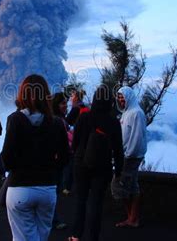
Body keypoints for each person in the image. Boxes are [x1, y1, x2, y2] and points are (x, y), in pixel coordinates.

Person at [1, 74, 70, 241]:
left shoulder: (15, 119)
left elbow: (7, 159)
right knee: (41, 237)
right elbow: (65, 157)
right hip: (47, 189)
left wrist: (22, 166)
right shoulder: (56, 123)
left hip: (20, 188)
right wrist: (49, 168)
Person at [68, 85, 124, 241]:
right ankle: (93, 237)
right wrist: (118, 172)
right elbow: (118, 150)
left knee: (81, 200)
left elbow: (75, 143)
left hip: (81, 165)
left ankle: (76, 236)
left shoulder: (84, 117)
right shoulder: (113, 122)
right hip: (102, 167)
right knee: (96, 204)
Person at [113, 86, 147, 228]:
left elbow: (137, 137)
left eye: (123, 97)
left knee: (118, 186)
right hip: (126, 155)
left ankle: (132, 218)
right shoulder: (127, 113)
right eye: (119, 97)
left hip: (131, 156)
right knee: (132, 186)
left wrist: (128, 154)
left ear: (129, 97)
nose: (121, 100)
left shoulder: (136, 113)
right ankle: (132, 218)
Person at [51, 92, 71, 230]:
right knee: (53, 190)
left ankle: (52, 218)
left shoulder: (59, 119)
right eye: (62, 103)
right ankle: (53, 219)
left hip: (59, 160)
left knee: (54, 190)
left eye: (66, 103)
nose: (65, 106)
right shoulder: (55, 120)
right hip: (55, 161)